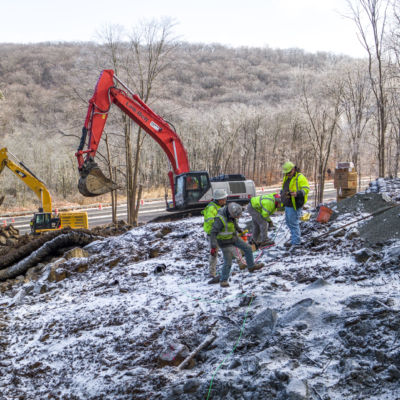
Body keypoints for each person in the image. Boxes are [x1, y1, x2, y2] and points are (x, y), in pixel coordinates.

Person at [210, 202, 263, 288]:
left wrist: (240, 231)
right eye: (236, 216)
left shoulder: (231, 215)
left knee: (248, 249)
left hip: (233, 238)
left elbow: (234, 224)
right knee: (228, 262)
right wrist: (213, 246)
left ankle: (251, 266)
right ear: (231, 214)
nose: (237, 218)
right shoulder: (220, 219)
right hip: (224, 242)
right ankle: (223, 280)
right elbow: (213, 232)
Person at [281, 162, 310, 248]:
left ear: (293, 169)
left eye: (289, 172)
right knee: (288, 222)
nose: (288, 174)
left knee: (293, 223)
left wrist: (297, 193)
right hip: (288, 203)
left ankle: (296, 243)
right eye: (286, 173)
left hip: (295, 204)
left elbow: (306, 189)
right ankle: (294, 239)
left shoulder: (300, 177)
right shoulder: (286, 177)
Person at [202, 189, 228, 279]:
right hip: (213, 234)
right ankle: (211, 273)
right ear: (219, 199)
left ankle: (240, 264)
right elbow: (211, 221)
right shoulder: (211, 208)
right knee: (214, 253)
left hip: (221, 232)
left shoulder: (222, 206)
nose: (225, 201)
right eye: (224, 199)